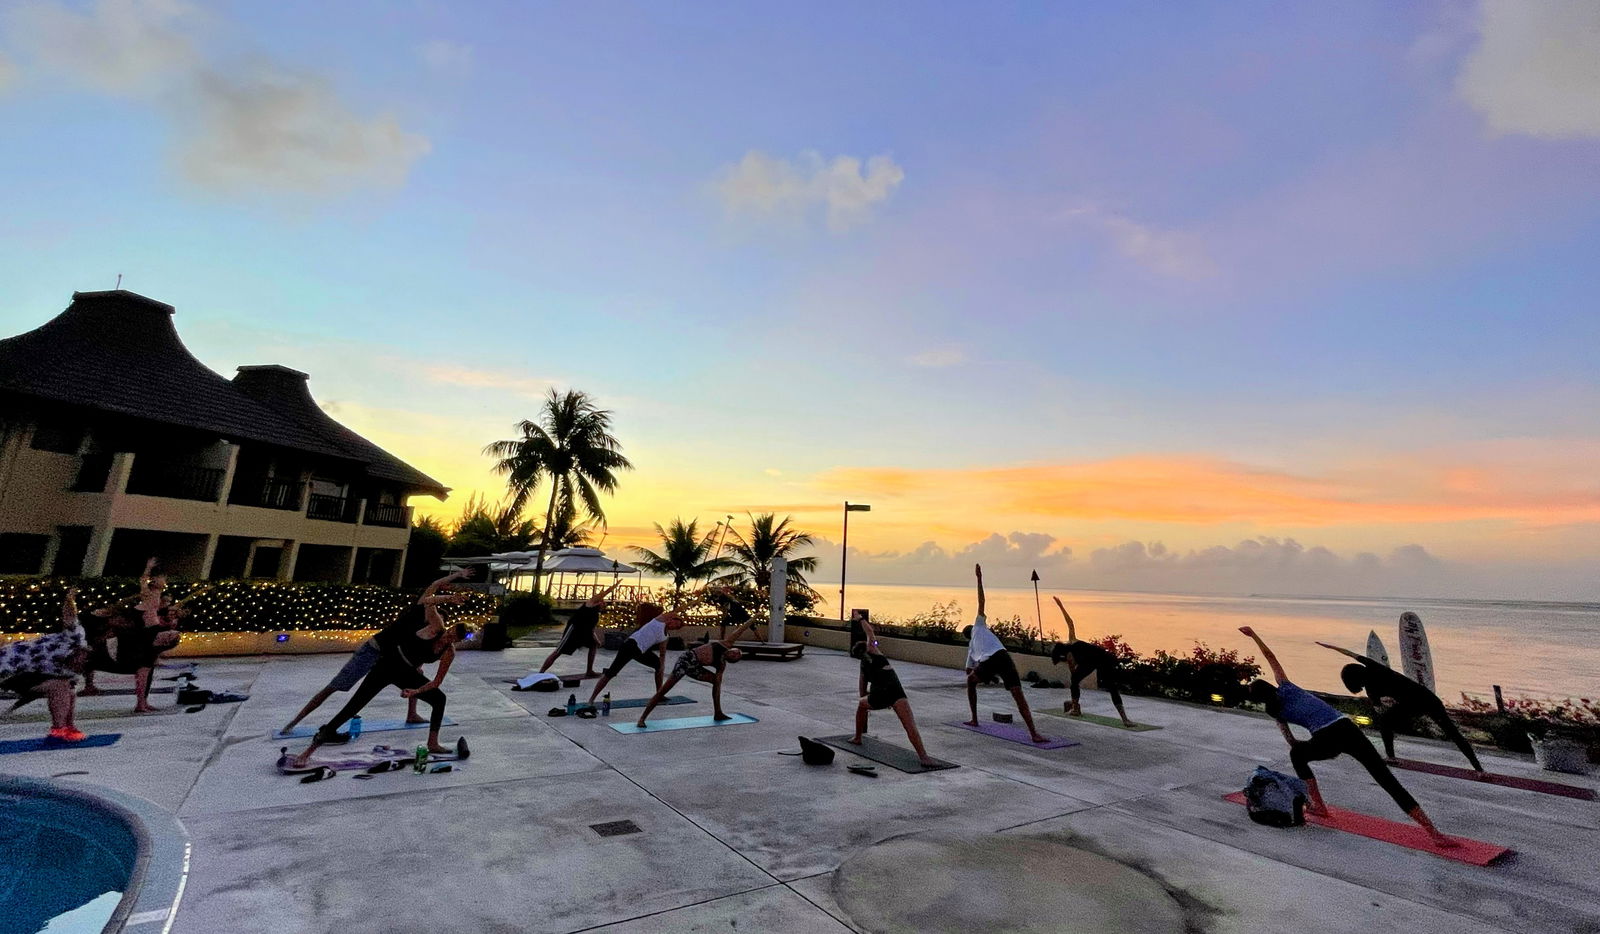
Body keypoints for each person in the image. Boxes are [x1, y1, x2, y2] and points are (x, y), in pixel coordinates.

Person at [1240, 626, 1455, 847]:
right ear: (1269, 686)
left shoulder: (1274, 710)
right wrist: (1253, 635)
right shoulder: (1286, 686)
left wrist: (1304, 745)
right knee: (1386, 779)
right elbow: (1270, 656)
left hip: (1326, 739)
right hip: (1347, 728)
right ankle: (1434, 833)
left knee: (1297, 755)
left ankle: (1319, 806)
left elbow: (1290, 739)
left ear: (1260, 700)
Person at [279, 569, 473, 735]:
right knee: (337, 686)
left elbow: (420, 658)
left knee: (417, 673)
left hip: (391, 658)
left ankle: (412, 714)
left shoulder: (430, 634)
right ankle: (295, 721)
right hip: (374, 650)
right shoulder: (421, 608)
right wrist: (458, 575)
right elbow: (434, 585)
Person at [288, 601, 467, 768]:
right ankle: (311, 749)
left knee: (439, 699)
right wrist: (450, 597)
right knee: (354, 706)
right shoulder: (434, 629)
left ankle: (433, 743)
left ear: (457, 641)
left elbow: (437, 682)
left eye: (453, 638)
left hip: (406, 673)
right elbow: (428, 601)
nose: (448, 637)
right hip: (387, 665)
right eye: (450, 632)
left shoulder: (449, 651)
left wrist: (416, 691)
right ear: (448, 627)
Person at [1317, 641, 1484, 772]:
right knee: (1388, 722)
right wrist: (1331, 647)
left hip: (1424, 701)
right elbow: (1352, 655)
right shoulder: (1371, 676)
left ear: (1354, 679)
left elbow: (1352, 655)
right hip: (1417, 702)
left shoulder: (1372, 676)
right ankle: (1479, 769)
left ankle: (1477, 767)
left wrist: (1331, 647)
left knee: (1450, 732)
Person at [632, 595, 754, 728]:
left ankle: (718, 712)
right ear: (733, 648)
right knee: (663, 690)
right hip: (686, 660)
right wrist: (754, 618)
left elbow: (717, 689)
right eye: (736, 651)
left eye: (736, 656)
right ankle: (642, 718)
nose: (735, 653)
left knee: (716, 681)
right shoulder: (725, 643)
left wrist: (717, 685)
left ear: (732, 661)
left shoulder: (721, 665)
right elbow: (741, 629)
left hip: (695, 668)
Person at [81, 558, 184, 713]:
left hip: (145, 635)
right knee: (143, 670)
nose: (165, 582)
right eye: (162, 579)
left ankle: (142, 702)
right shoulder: (151, 596)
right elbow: (143, 583)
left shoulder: (155, 597)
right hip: (142, 636)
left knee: (146, 671)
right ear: (155, 581)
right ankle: (141, 703)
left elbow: (144, 585)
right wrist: (148, 569)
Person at [963, 564, 1049, 744]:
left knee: (971, 682)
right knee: (1018, 695)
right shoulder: (979, 629)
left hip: (991, 660)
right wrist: (979, 578)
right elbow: (981, 602)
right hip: (1003, 656)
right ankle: (1034, 733)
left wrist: (980, 675)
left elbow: (968, 673)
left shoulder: (973, 640)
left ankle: (975, 718)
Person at [0, 588, 90, 741]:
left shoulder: (73, 671)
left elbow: (69, 694)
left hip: (21, 674)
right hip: (8, 666)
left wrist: (70, 723)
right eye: (81, 658)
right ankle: (59, 729)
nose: (78, 663)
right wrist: (69, 599)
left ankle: (65, 727)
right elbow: (69, 616)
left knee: (66, 687)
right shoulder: (74, 638)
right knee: (60, 685)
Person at [849, 615, 937, 766]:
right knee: (909, 726)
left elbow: (862, 691)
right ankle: (924, 757)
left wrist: (869, 703)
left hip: (879, 695)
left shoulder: (863, 666)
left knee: (860, 705)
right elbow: (870, 632)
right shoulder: (873, 651)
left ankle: (858, 737)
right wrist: (861, 619)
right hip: (896, 692)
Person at [1049, 596, 1135, 727]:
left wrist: (1061, 607)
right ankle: (1124, 719)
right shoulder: (1072, 642)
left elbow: (1070, 623)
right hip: (1095, 660)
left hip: (1102, 659)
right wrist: (1060, 606)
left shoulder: (1070, 649)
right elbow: (1070, 623)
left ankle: (1123, 719)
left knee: (1109, 687)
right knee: (1081, 682)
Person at [585, 603, 683, 705]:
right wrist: (694, 602)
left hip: (641, 652)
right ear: (672, 619)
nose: (675, 626)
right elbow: (676, 610)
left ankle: (659, 694)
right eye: (676, 623)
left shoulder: (665, 637)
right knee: (611, 673)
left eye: (677, 627)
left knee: (658, 666)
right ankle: (591, 699)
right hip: (630, 646)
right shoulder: (659, 620)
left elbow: (662, 653)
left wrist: (661, 666)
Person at [539, 580, 621, 677]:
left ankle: (589, 671)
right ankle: (541, 672)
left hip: (584, 633)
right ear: (599, 602)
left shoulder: (596, 615)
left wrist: (596, 640)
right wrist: (613, 587)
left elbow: (591, 629)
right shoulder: (590, 603)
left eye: (605, 605)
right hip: (574, 631)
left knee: (593, 646)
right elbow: (602, 594)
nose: (604, 605)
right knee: (558, 652)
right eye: (603, 603)